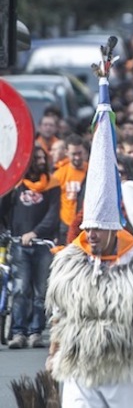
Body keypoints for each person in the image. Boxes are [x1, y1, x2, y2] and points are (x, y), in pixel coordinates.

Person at [45, 42, 133, 407]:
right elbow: (60, 314)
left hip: (126, 367)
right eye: (87, 229)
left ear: (113, 227)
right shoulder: (70, 262)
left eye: (97, 230)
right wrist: (54, 351)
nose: (91, 236)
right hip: (81, 365)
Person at [1, 146, 60, 349]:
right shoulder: (16, 184)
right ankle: (18, 332)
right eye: (37, 157)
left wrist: (35, 232)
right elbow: (4, 209)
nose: (41, 160)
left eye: (43, 156)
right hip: (19, 246)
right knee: (20, 289)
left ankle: (36, 332)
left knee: (40, 291)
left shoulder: (52, 184)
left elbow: (53, 214)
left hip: (42, 245)